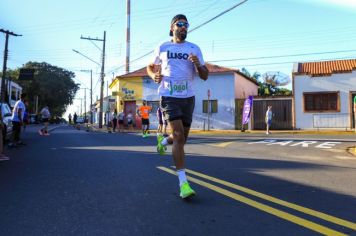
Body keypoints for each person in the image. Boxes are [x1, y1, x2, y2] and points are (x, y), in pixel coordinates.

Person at [147, 14, 209, 199]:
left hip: (188, 98)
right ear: (172, 28)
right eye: (179, 24)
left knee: (182, 138)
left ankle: (164, 141)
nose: (183, 27)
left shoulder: (194, 48)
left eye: (186, 25)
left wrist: (198, 64)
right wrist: (153, 76)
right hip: (169, 95)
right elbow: (150, 66)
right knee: (180, 136)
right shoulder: (163, 47)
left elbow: (205, 75)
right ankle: (183, 184)